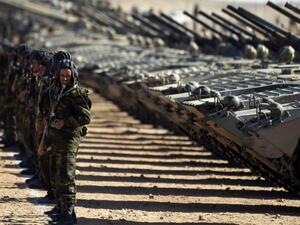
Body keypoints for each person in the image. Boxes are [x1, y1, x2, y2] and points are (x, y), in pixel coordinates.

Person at [44, 58, 91, 225]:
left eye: (67, 75)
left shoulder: (77, 94)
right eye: (62, 75)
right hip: (56, 139)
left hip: (69, 140)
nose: (64, 78)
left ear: (73, 76)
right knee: (56, 173)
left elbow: (85, 117)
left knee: (67, 175)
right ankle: (60, 208)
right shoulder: (57, 90)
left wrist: (65, 122)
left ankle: (70, 213)